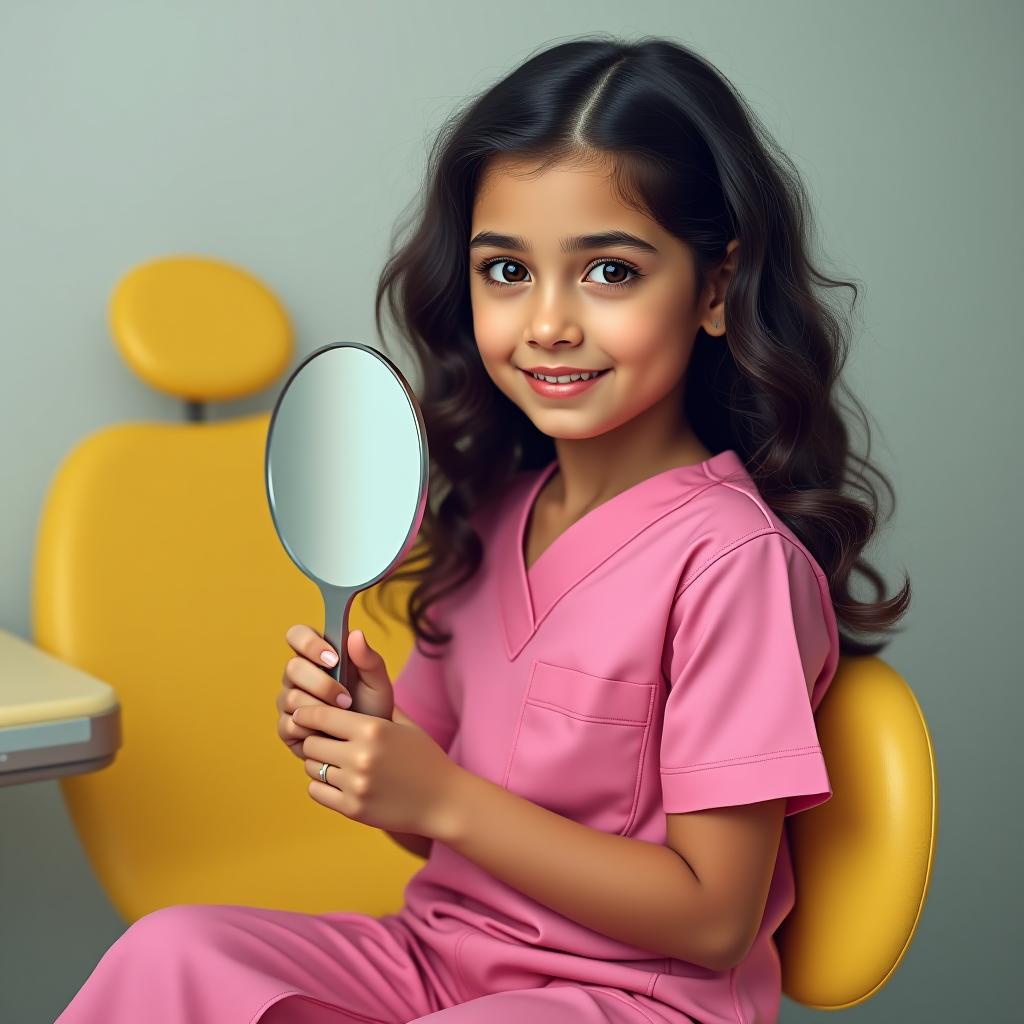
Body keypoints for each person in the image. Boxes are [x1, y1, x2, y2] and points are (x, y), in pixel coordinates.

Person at [55, 33, 911, 1024]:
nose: (546, 322)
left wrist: (444, 797)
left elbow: (716, 916)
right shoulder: (495, 511)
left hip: (627, 999)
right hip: (441, 962)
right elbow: (433, 841)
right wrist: (374, 749)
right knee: (174, 954)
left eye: (609, 274)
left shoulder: (732, 563)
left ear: (714, 289)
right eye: (506, 270)